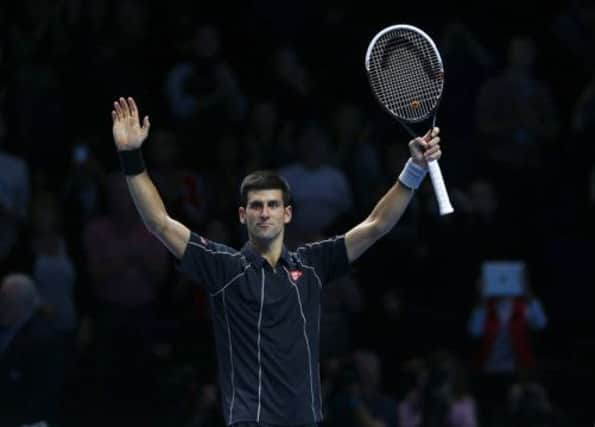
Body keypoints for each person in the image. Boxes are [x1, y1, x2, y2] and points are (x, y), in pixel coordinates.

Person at [110, 96, 443, 426]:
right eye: (256, 206)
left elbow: (376, 225)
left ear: (287, 214)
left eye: (272, 205)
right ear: (242, 215)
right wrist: (130, 156)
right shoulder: (224, 267)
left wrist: (413, 169)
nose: (264, 213)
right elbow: (160, 223)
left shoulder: (313, 263)